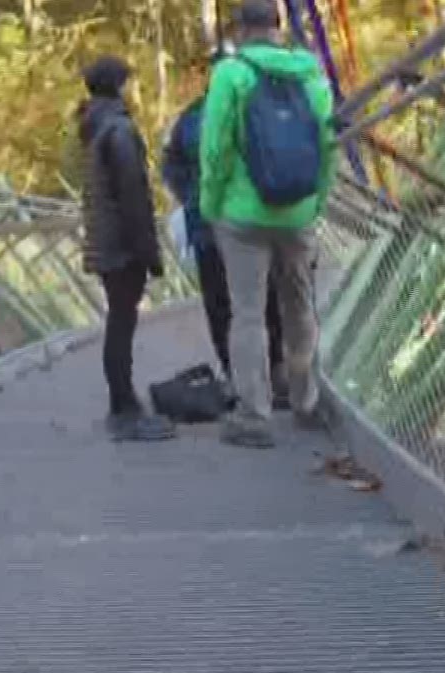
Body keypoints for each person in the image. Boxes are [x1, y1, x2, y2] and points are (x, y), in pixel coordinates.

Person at [198, 0, 338, 448]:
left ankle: (255, 415)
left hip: (242, 214)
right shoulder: (310, 74)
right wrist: (317, 199)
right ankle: (306, 399)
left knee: (248, 313)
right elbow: (328, 141)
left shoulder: (231, 74)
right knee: (299, 305)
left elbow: (216, 148)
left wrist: (211, 204)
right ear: (279, 29)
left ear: (240, 30)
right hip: (298, 210)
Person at [160, 45, 290, 410]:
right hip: (250, 226)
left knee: (225, 306)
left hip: (211, 226)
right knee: (262, 303)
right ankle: (271, 377)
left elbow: (170, 165)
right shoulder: (257, 112)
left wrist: (192, 196)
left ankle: (242, 379)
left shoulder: (191, 117)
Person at [77, 54, 173, 442]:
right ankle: (125, 408)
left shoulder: (94, 126)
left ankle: (124, 403)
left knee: (120, 320)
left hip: (105, 241)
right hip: (121, 245)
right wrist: (149, 253)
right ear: (119, 85)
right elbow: (134, 197)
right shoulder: (118, 130)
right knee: (121, 322)